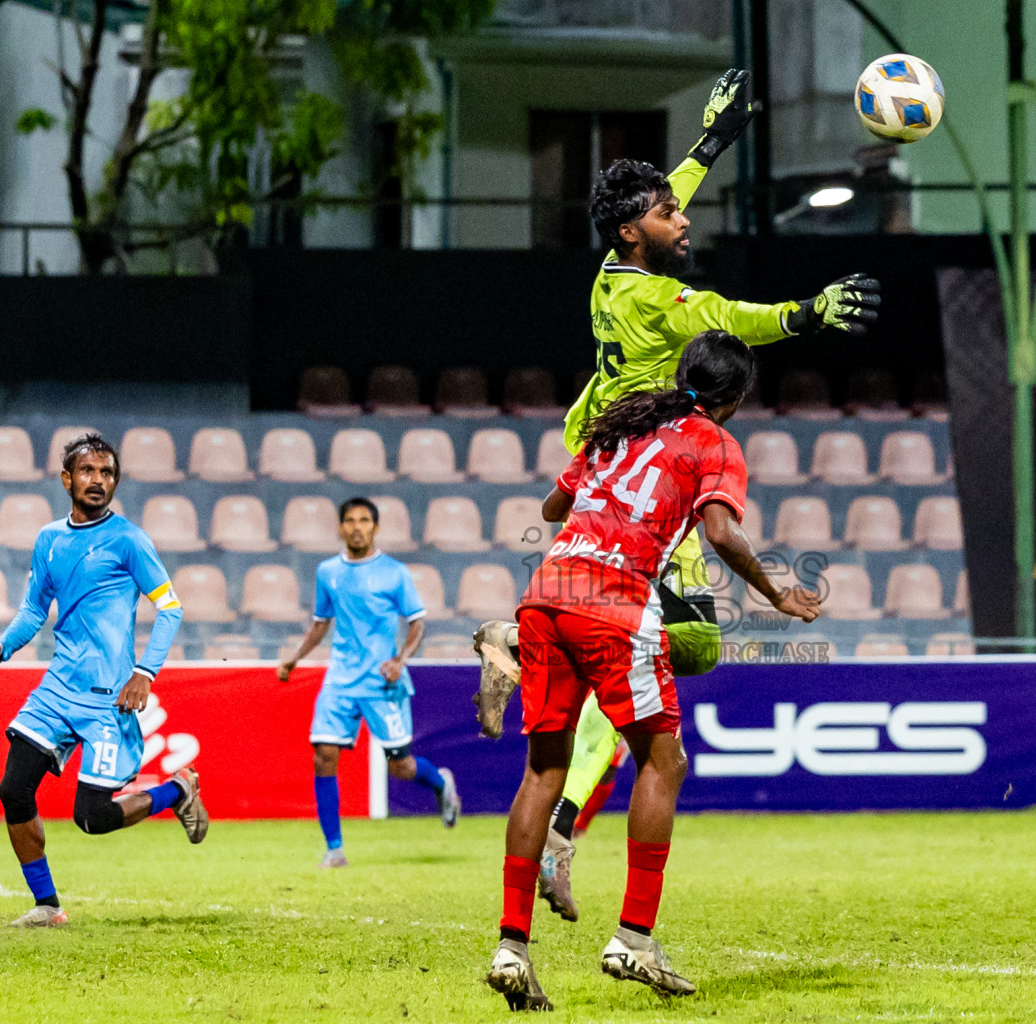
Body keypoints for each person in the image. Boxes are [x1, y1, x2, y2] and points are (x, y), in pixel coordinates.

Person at [473, 67, 880, 922]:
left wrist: (709, 145)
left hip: (604, 460)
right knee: (684, 653)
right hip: (644, 478)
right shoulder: (658, 300)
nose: (682, 216)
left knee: (631, 678)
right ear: (634, 231)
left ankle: (561, 819)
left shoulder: (612, 273)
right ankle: (513, 638)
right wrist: (812, 311)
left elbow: (664, 201)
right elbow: (734, 316)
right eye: (667, 214)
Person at [485, 331, 821, 1010]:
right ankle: (634, 938)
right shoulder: (713, 442)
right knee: (664, 763)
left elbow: (553, 510)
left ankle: (511, 947)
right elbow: (722, 532)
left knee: (542, 772)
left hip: (546, 596)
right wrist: (777, 592)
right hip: (615, 603)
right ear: (734, 400)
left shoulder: (621, 425)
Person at [0, 433, 204, 929]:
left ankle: (178, 790)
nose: (97, 480)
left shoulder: (129, 540)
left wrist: (144, 672)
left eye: (106, 473)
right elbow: (35, 607)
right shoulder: (49, 539)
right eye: (87, 471)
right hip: (56, 692)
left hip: (108, 701)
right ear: (67, 479)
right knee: (13, 791)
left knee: (91, 819)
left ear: (115, 481)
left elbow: (170, 608)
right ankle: (46, 906)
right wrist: (6, 644)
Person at [278, 497, 461, 867]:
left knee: (401, 765)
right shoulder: (327, 571)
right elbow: (320, 623)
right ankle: (334, 850)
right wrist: (295, 659)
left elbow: (417, 623)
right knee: (323, 757)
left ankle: (441, 783)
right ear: (340, 527)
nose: (357, 526)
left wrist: (400, 660)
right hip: (340, 681)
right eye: (350, 520)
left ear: (375, 528)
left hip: (382, 682)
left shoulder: (394, 572)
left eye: (364, 520)